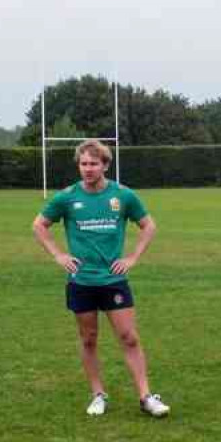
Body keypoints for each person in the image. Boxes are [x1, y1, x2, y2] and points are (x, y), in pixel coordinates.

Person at [32, 139, 169, 418]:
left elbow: (148, 225)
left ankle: (145, 397)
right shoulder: (67, 197)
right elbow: (39, 225)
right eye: (84, 164)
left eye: (94, 163)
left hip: (113, 280)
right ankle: (98, 394)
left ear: (105, 165)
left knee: (129, 337)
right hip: (81, 281)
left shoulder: (123, 196)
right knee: (89, 340)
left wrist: (132, 258)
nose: (88, 169)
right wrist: (58, 255)